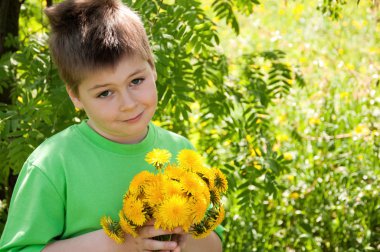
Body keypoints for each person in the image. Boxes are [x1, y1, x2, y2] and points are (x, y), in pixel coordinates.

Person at [0, 0, 223, 251]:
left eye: (136, 80)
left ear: (152, 67)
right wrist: (120, 242)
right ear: (75, 96)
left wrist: (183, 231)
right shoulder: (52, 164)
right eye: (105, 93)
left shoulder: (181, 152)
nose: (128, 104)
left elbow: (214, 244)